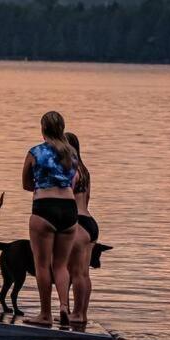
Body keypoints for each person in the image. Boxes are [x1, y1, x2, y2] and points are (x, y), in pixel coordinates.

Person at [22, 111, 79, 326]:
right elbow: (72, 182)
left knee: (42, 265)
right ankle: (64, 306)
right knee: (61, 265)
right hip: (69, 208)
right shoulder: (72, 153)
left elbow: (26, 184)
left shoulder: (35, 152)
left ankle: (45, 315)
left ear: (43, 128)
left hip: (44, 207)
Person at [65, 132, 97, 325]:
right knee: (84, 273)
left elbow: (66, 199)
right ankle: (82, 314)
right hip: (90, 223)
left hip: (77, 223)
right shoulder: (85, 170)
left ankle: (76, 313)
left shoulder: (70, 171)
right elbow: (88, 198)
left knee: (75, 273)